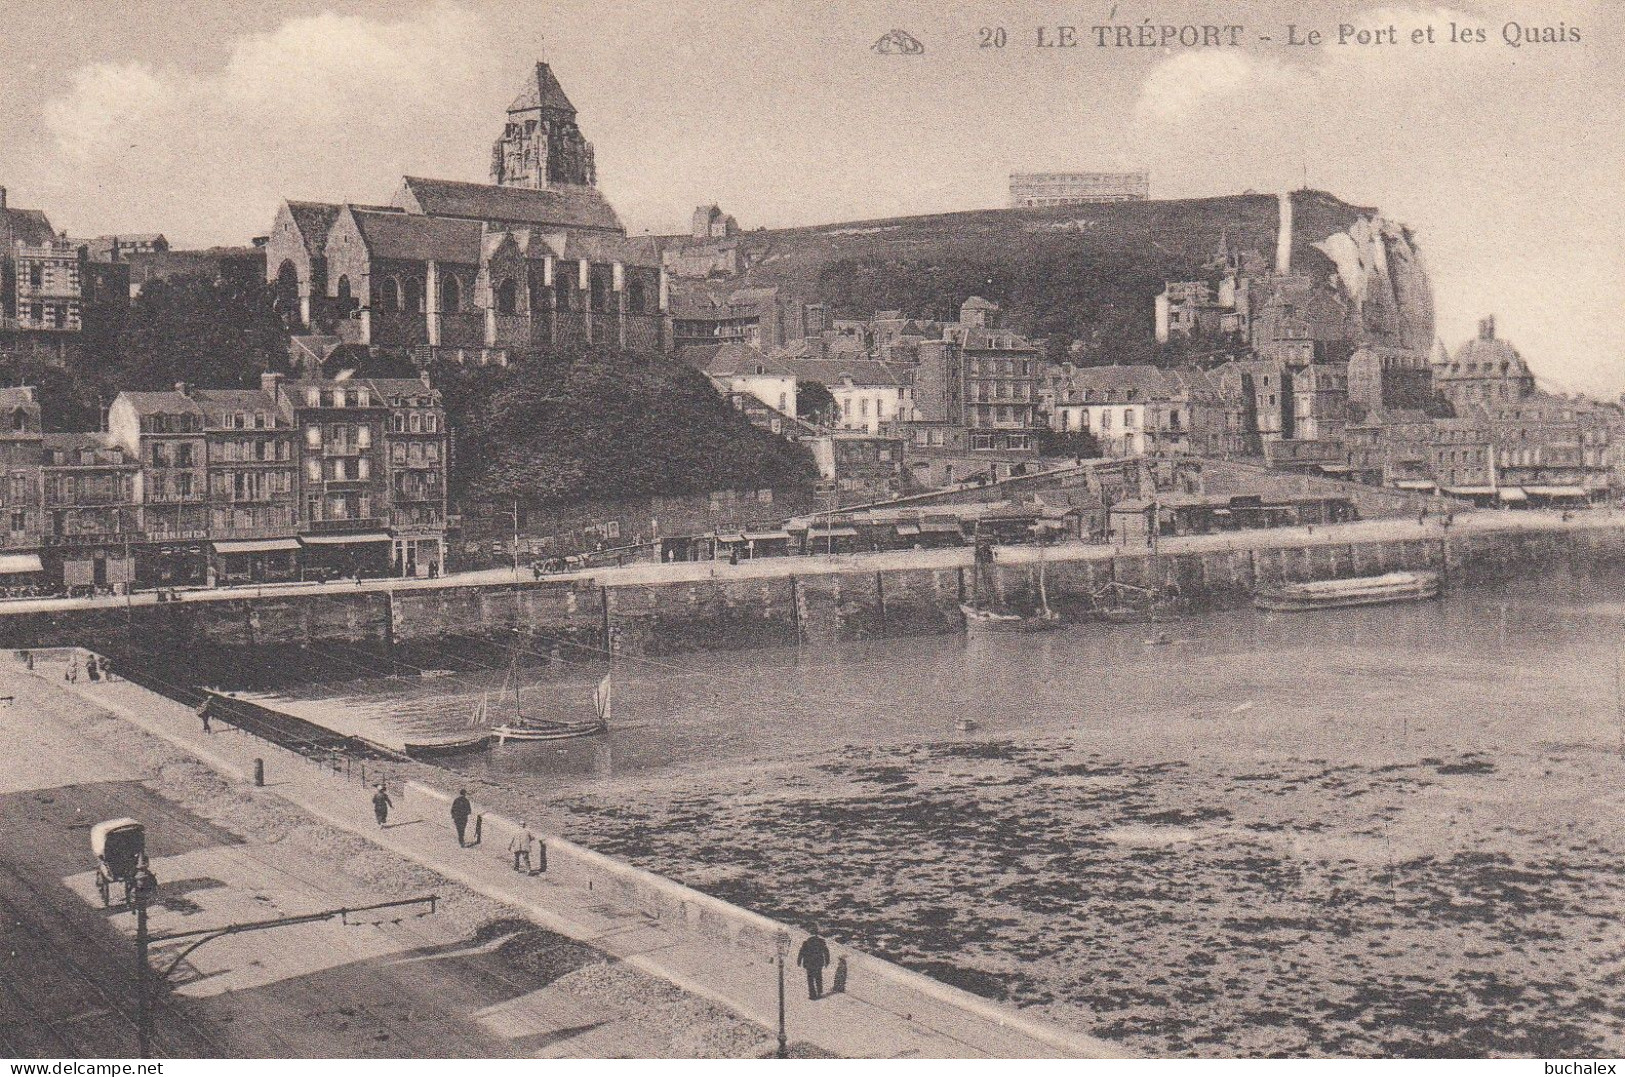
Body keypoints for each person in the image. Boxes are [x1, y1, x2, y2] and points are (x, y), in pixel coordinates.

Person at [797, 929, 831, 1001]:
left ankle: (812, 995)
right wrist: (827, 961)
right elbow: (826, 952)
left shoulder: (806, 942)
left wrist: (799, 961)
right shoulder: (821, 942)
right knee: (818, 977)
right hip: (818, 963)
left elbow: (801, 952)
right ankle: (819, 992)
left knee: (810, 979)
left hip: (809, 964)